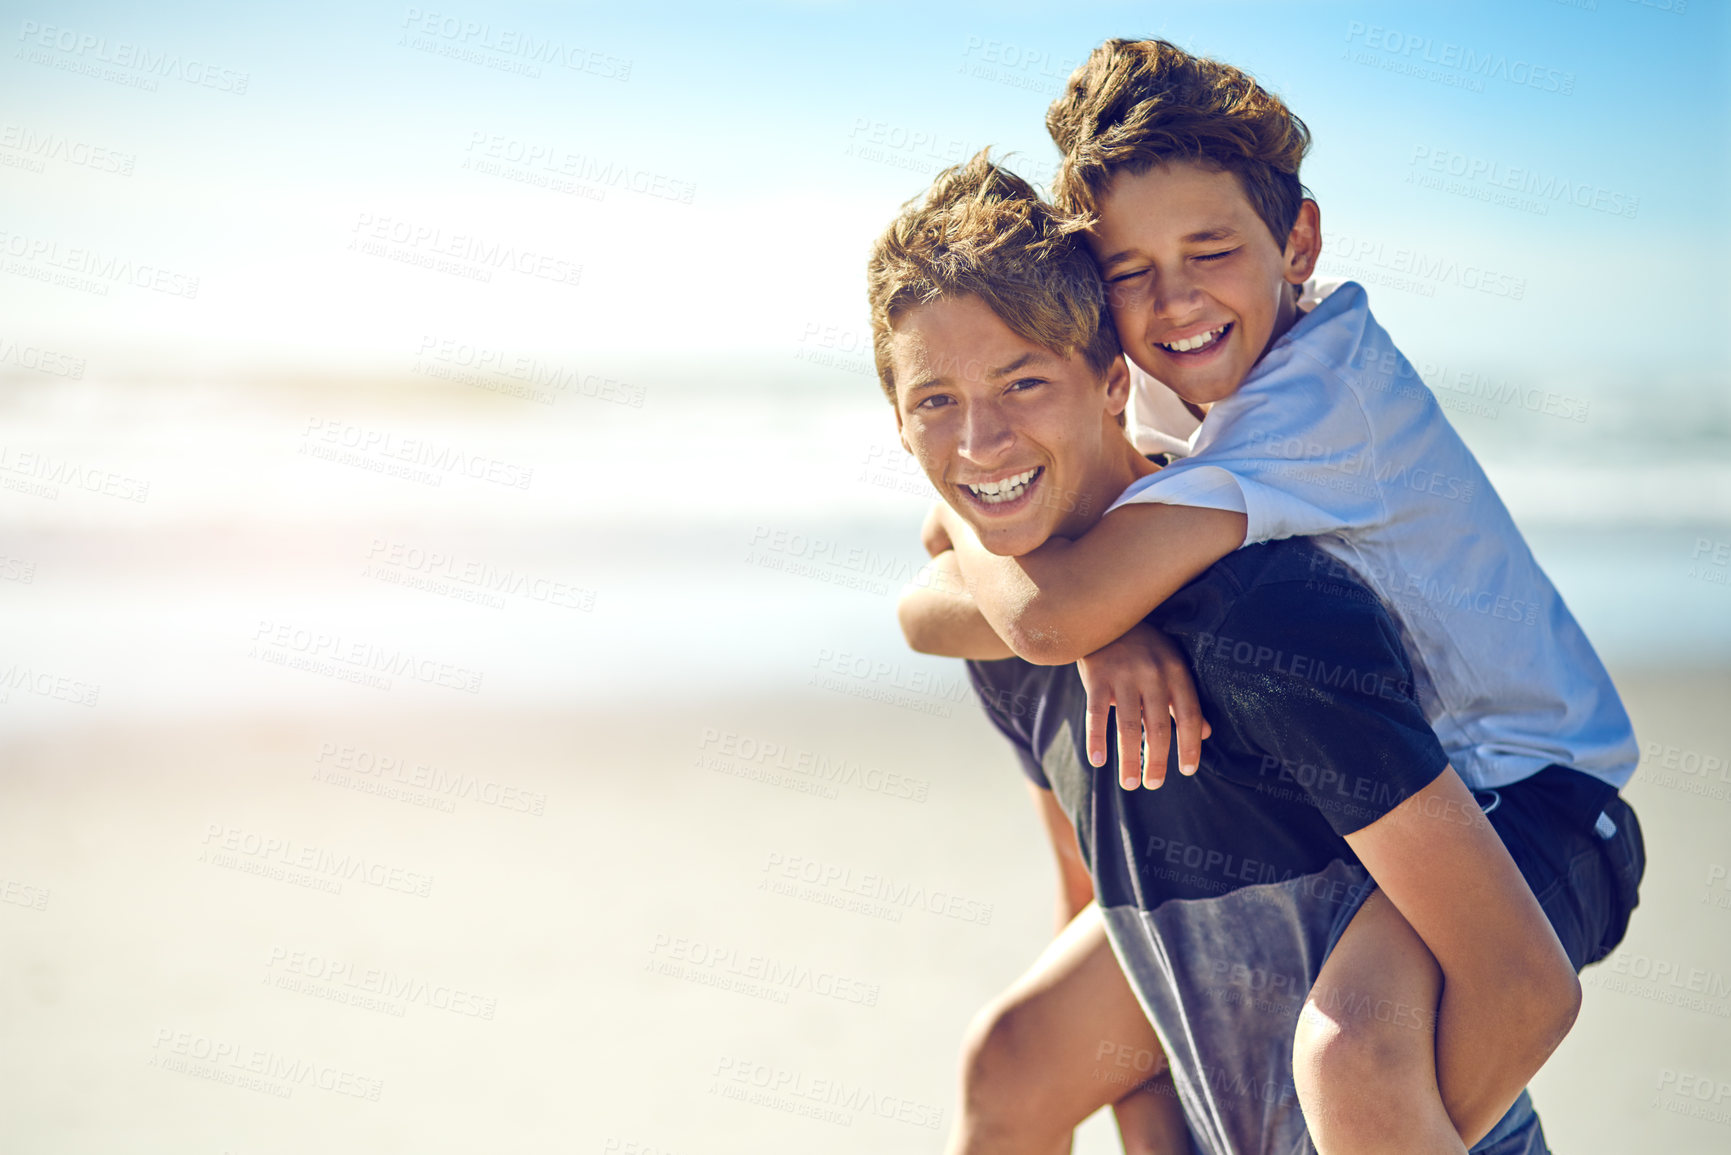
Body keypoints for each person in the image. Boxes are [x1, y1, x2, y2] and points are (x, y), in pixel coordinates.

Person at [868, 148, 1643, 1154]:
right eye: (935, 402)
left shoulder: (1265, 604)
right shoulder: (1008, 621)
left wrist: (1084, 621)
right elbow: (1106, 902)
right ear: (897, 423)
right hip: (1246, 1053)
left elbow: (1520, 983)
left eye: (1023, 382)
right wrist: (1099, 632)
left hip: (1505, 865)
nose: (980, 441)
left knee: (1348, 1061)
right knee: (1012, 1062)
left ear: (1111, 382)